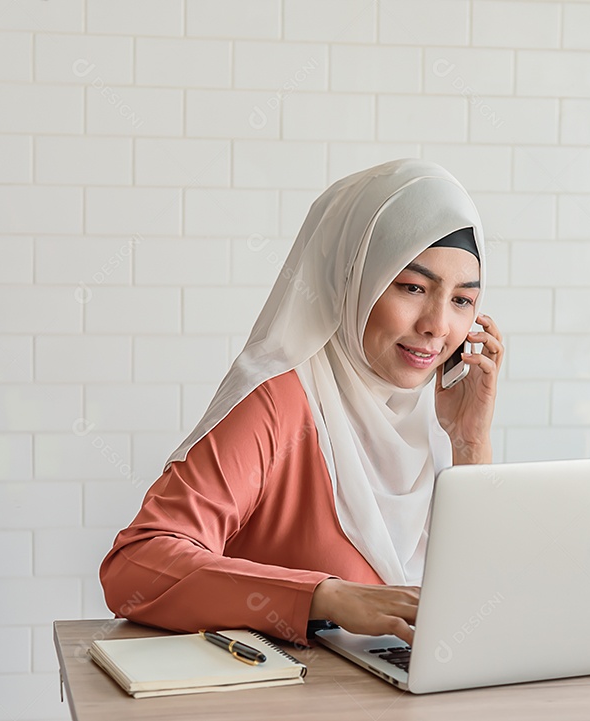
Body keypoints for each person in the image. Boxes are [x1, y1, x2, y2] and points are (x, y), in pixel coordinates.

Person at [99, 158, 504, 647]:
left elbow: (478, 607)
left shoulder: (433, 420)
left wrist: (469, 441)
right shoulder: (277, 403)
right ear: (354, 279)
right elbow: (136, 567)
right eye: (413, 288)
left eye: (462, 300)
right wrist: (323, 597)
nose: (438, 326)